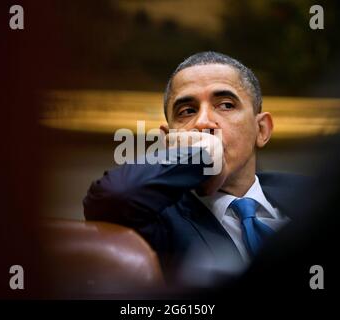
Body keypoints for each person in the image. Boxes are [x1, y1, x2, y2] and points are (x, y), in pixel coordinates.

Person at [83, 51, 308, 287]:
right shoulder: (160, 220)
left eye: (225, 105)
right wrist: (198, 157)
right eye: (187, 111)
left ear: (261, 130)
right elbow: (115, 195)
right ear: (169, 140)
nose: (202, 122)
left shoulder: (311, 193)